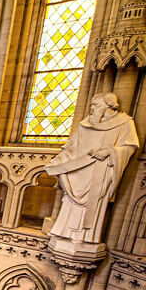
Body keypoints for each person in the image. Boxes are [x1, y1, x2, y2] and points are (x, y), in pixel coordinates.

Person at [45, 92, 140, 244]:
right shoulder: (86, 123)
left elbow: (129, 147)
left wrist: (108, 152)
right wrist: (56, 163)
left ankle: (84, 237)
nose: (92, 108)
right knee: (71, 202)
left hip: (100, 171)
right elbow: (70, 147)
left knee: (93, 203)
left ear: (108, 105)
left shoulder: (124, 123)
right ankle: (62, 231)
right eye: (91, 105)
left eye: (95, 105)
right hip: (79, 173)